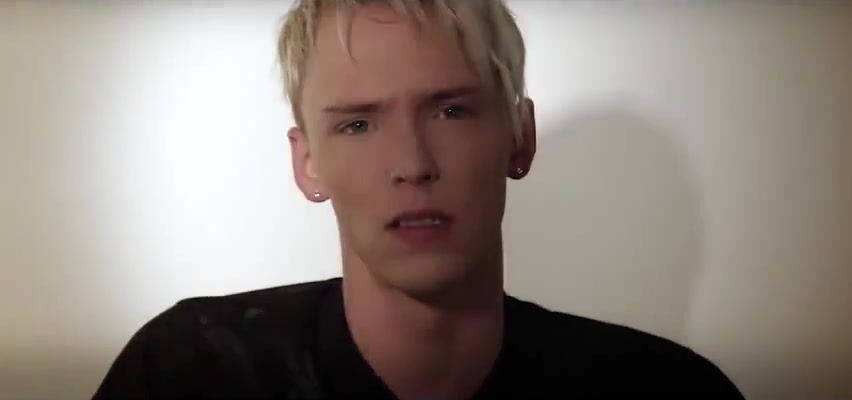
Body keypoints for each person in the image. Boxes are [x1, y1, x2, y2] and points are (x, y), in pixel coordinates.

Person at [93, 1, 745, 399]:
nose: (411, 164)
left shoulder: (665, 390)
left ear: (519, 136)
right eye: (358, 124)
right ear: (306, 161)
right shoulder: (187, 372)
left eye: (452, 111)